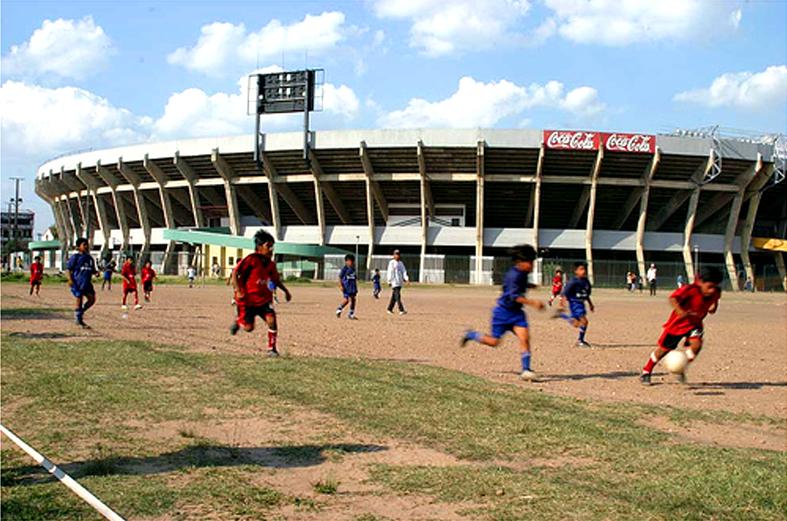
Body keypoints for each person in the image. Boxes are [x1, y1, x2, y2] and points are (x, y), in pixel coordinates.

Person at [461, 245, 545, 381]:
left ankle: (526, 370)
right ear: (520, 262)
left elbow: (520, 286)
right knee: (494, 342)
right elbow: (514, 296)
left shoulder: (523, 274)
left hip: (517, 313)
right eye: (530, 262)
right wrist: (533, 303)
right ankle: (471, 334)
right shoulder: (513, 276)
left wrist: (530, 286)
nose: (532, 266)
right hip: (503, 313)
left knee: (525, 338)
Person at [639, 266, 723, 385]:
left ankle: (680, 367)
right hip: (677, 325)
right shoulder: (690, 290)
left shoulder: (716, 292)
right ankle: (646, 371)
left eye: (715, 287)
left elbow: (714, 303)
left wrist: (713, 307)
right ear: (700, 282)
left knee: (696, 345)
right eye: (709, 287)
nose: (712, 290)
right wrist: (679, 310)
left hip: (695, 324)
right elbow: (673, 298)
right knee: (663, 350)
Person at [229, 229, 292, 357]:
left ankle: (272, 349)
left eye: (272, 246)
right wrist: (238, 290)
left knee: (272, 320)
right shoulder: (251, 260)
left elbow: (275, 279)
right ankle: (239, 321)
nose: (271, 249)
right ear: (259, 247)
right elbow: (235, 272)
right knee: (248, 328)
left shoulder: (271, 264)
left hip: (264, 300)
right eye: (268, 246)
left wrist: (285, 291)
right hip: (248, 300)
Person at [554, 261, 594, 348]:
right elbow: (564, 293)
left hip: (581, 303)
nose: (583, 271)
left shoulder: (586, 281)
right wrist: (562, 303)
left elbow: (586, 294)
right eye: (581, 269)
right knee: (584, 321)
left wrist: (590, 304)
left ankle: (563, 316)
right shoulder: (573, 282)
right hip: (575, 304)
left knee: (576, 324)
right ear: (576, 271)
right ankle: (580, 341)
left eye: (585, 269)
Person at [66, 238, 98, 328]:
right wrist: (70, 279)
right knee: (79, 298)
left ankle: (80, 312)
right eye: (84, 244)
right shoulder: (75, 257)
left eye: (87, 244)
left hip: (87, 283)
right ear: (78, 246)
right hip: (77, 283)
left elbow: (92, 270)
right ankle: (79, 320)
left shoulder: (90, 258)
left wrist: (96, 273)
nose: (86, 246)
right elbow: (68, 269)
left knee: (92, 299)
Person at [336, 254, 359, 319]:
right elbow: (340, 278)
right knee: (349, 299)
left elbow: (354, 277)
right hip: (346, 287)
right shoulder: (344, 269)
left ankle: (342, 310)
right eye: (350, 261)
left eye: (352, 261)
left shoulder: (353, 269)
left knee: (352, 300)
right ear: (346, 261)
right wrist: (341, 286)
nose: (351, 263)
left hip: (353, 287)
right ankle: (347, 313)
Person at [386, 249, 409, 315]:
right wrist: (389, 281)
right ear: (393, 255)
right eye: (396, 254)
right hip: (394, 282)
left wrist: (406, 279)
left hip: (399, 282)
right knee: (398, 296)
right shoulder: (392, 262)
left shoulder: (401, 263)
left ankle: (389, 309)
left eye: (398, 254)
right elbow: (390, 272)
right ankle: (401, 310)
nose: (397, 255)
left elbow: (404, 271)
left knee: (394, 296)